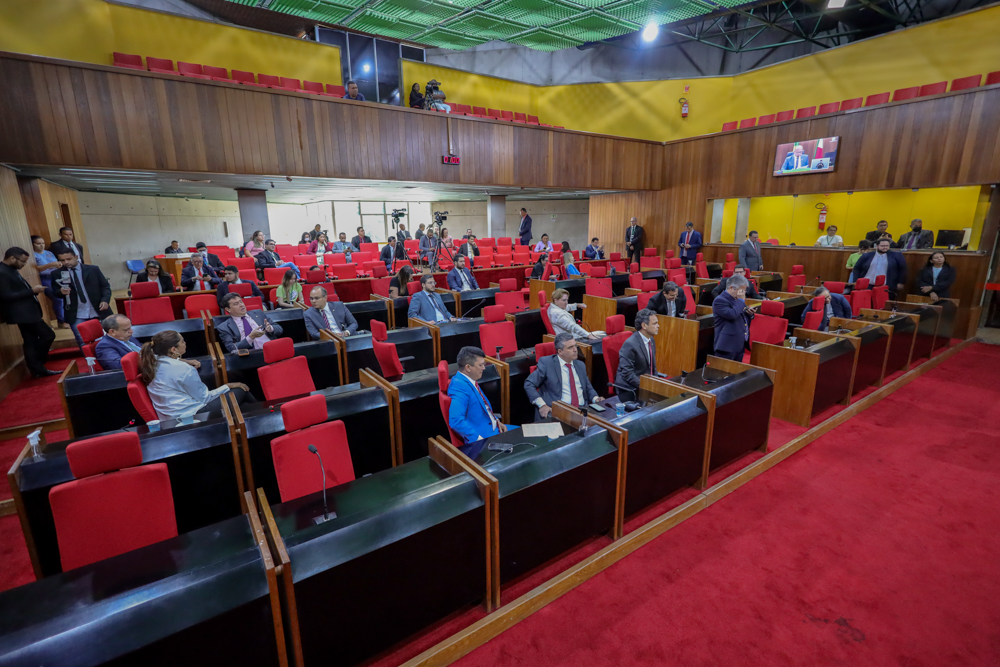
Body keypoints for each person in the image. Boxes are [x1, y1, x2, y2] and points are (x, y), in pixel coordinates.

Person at [140, 329, 254, 420]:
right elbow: (205, 398)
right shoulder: (184, 369)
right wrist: (228, 386)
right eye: (182, 341)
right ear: (174, 349)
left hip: (169, 416)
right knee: (241, 389)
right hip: (191, 415)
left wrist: (184, 360)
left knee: (241, 406)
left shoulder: (152, 360)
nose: (185, 343)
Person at [0, 247, 57, 377]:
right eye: (22, 262)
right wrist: (32, 291)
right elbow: (5, 295)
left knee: (30, 341)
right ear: (12, 258)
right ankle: (37, 364)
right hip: (22, 314)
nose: (24, 265)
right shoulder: (2, 272)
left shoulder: (11, 269)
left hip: (26, 312)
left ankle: (37, 370)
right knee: (48, 335)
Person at [524, 333, 601, 420]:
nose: (575, 350)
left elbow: (587, 388)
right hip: (558, 412)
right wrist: (542, 405)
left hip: (582, 411)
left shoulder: (580, 365)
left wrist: (596, 398)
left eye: (575, 346)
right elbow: (529, 383)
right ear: (560, 351)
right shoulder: (547, 363)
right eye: (570, 347)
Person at [448, 346, 508, 448]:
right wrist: (479, 440)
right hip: (486, 439)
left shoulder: (469, 379)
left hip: (494, 428)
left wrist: (496, 421)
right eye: (481, 365)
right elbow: (456, 420)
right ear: (468, 367)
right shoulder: (459, 387)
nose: (484, 368)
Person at [53, 249, 112, 349]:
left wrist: (105, 300)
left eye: (69, 259)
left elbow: (105, 286)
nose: (66, 262)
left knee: (109, 337)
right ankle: (91, 362)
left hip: (98, 309)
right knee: (83, 341)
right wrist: (60, 292)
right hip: (76, 312)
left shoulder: (93, 269)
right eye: (62, 260)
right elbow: (55, 292)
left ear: (76, 257)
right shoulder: (56, 274)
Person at [217, 293, 284, 352]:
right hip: (249, 356)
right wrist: (251, 337)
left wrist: (270, 328)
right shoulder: (224, 327)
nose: (241, 305)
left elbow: (280, 329)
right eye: (236, 304)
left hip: (271, 349)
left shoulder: (258, 313)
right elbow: (232, 348)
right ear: (228, 309)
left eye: (241, 302)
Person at [615, 308, 659, 396]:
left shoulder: (651, 340)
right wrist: (647, 387)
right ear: (644, 325)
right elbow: (627, 374)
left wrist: (657, 383)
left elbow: (652, 368)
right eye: (655, 323)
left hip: (645, 384)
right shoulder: (630, 344)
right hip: (630, 388)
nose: (658, 326)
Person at [712, 274, 754, 361]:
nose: (743, 294)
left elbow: (741, 317)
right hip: (727, 346)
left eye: (744, 291)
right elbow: (732, 315)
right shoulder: (720, 300)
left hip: (739, 344)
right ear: (731, 288)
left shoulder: (737, 300)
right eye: (741, 291)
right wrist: (741, 300)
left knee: (736, 374)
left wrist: (749, 314)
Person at [31, 235, 66, 328]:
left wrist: (58, 264)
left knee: (64, 297)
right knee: (58, 298)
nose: (41, 245)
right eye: (38, 244)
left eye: (43, 243)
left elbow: (56, 263)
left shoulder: (49, 253)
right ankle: (61, 321)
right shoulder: (32, 255)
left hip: (56, 277)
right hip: (44, 278)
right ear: (33, 244)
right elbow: (34, 268)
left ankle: (64, 320)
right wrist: (49, 265)